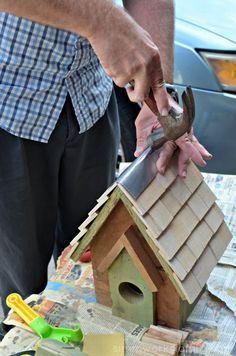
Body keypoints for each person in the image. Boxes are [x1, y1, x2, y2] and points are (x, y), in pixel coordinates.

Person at [0, 0, 211, 316]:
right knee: (21, 291)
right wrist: (101, 21)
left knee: (100, 257)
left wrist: (158, 94)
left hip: (90, 100)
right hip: (12, 104)